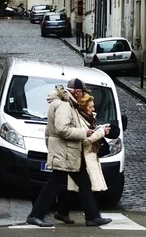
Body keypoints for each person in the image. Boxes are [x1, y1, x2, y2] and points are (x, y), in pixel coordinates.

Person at [26, 78, 112, 228]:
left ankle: (93, 216)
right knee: (53, 185)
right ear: (77, 92)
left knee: (83, 184)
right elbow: (61, 129)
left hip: (68, 152)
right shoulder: (65, 105)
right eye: (83, 92)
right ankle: (35, 215)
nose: (83, 96)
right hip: (64, 152)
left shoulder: (66, 104)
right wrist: (84, 132)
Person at [55, 94, 110, 223]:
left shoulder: (89, 118)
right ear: (84, 107)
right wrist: (101, 132)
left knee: (79, 188)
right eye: (90, 107)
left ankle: (63, 212)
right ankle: (93, 216)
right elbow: (85, 140)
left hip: (87, 157)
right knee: (87, 187)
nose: (93, 109)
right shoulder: (79, 119)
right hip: (83, 157)